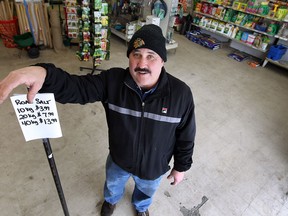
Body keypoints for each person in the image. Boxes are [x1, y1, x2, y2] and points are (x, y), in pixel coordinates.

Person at [0, 24, 196, 216]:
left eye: (150, 56)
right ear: (129, 57)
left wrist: (181, 166)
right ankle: (111, 201)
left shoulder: (181, 94)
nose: (142, 64)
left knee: (146, 192)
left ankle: (142, 206)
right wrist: (44, 73)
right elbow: (76, 87)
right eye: (136, 54)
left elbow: (186, 135)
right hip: (118, 160)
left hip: (154, 167)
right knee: (112, 185)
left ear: (163, 60)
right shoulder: (112, 82)